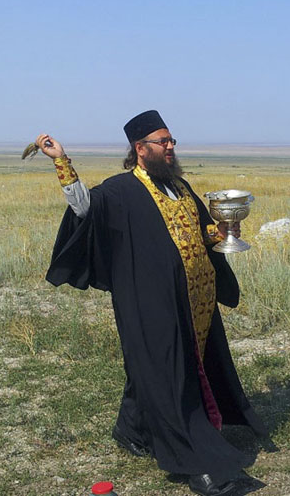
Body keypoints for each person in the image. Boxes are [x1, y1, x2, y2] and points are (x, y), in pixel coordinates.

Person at [37, 110, 267, 496]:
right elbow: (84, 209)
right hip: (150, 302)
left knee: (153, 370)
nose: (171, 147)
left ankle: (132, 429)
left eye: (172, 140)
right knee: (167, 374)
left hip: (194, 299)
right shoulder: (122, 190)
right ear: (140, 149)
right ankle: (196, 461)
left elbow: (200, 231)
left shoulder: (180, 187)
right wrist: (62, 161)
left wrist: (223, 232)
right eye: (164, 142)